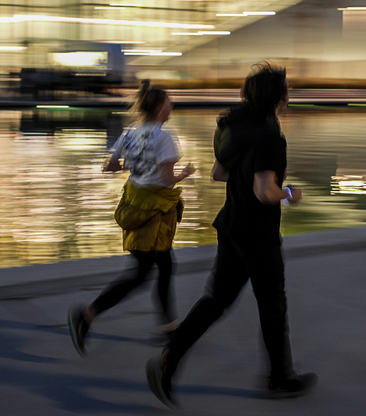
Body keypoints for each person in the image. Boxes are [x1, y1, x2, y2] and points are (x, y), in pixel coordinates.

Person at [145, 62, 317, 408]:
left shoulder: (236, 127)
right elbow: (265, 192)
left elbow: (218, 173)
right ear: (277, 98)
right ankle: (280, 379)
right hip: (258, 234)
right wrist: (289, 194)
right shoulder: (270, 137)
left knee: (216, 299)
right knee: (272, 303)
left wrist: (250, 174)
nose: (288, 97)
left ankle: (170, 358)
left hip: (232, 227)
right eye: (286, 91)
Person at [67, 80, 195, 357]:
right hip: (155, 210)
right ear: (160, 107)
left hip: (134, 204)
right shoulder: (165, 136)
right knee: (147, 271)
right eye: (169, 102)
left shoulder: (129, 133)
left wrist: (133, 164)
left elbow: (108, 167)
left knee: (157, 267)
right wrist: (185, 173)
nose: (171, 105)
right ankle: (89, 314)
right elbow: (166, 180)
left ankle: (170, 327)